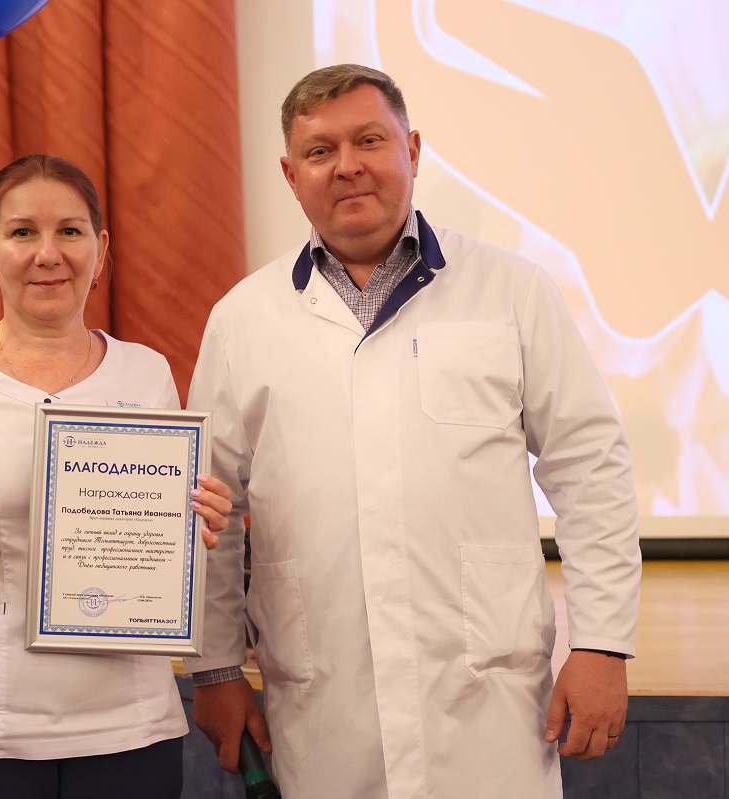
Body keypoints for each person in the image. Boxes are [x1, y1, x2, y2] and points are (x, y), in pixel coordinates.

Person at [183, 64, 641, 798]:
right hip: (324, 706)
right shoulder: (242, 319)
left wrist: (602, 643)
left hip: (488, 705)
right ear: (291, 175)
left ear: (414, 150)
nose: (347, 166)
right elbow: (210, 507)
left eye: (369, 140)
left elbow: (590, 470)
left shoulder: (512, 291)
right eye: (320, 151)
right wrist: (213, 668)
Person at [0, 154, 233, 799]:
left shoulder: (148, 373)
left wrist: (195, 520)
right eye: (23, 232)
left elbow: (158, 536)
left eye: (70, 231)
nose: (48, 253)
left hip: (130, 725)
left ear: (101, 250)